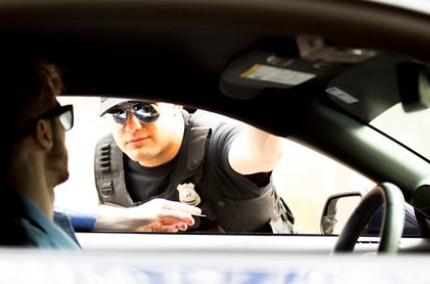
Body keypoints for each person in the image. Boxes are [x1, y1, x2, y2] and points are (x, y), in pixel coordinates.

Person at [0, 59, 196, 249]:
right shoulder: (30, 254)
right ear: (44, 133)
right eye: (62, 117)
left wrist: (128, 218)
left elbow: (58, 212)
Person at [87, 98, 295, 233]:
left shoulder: (217, 141)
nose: (131, 127)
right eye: (118, 115)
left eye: (145, 109)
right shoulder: (108, 155)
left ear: (176, 103)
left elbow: (263, 156)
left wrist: (253, 92)